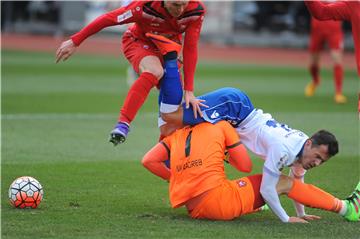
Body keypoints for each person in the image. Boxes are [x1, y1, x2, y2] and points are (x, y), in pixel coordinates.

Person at [142, 121, 360, 222]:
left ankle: (256, 205)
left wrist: (182, 177)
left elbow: (149, 161)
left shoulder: (179, 133)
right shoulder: (222, 126)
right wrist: (228, 148)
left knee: (263, 185)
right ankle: (347, 209)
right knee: (280, 182)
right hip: (218, 202)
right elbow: (245, 165)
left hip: (193, 207)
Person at [55, 1, 206, 145]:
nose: (180, 10)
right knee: (154, 71)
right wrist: (75, 41)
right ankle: (123, 124)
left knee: (174, 98)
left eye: (183, 5)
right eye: (175, 4)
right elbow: (108, 19)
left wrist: (189, 90)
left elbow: (191, 47)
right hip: (138, 42)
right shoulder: (143, 7)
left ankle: (165, 147)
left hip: (168, 49)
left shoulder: (196, 11)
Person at [304, 0, 360, 76]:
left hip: (334, 30)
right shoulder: (354, 4)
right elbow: (321, 12)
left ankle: (338, 88)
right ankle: (315, 81)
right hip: (317, 29)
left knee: (337, 58)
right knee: (314, 60)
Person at [305, 15, 346, 104]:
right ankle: (315, 81)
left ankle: (338, 93)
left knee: (337, 59)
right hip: (318, 25)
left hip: (334, 26)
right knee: (313, 62)